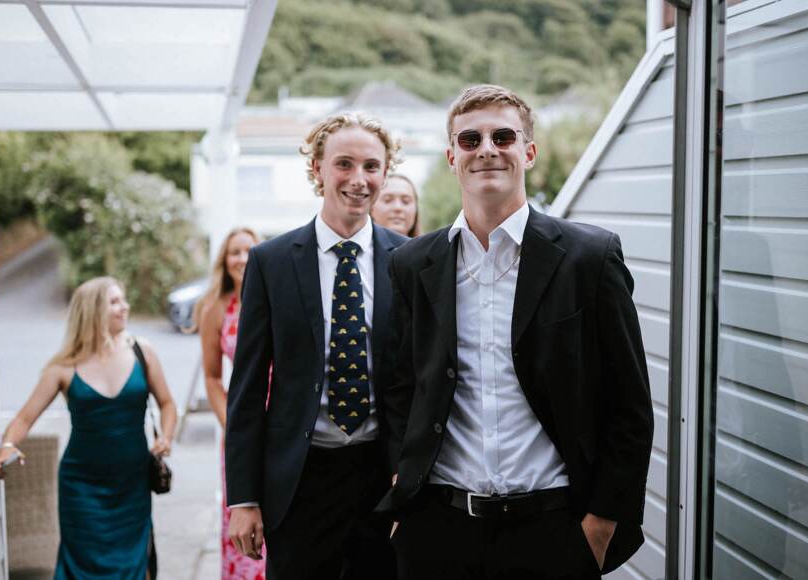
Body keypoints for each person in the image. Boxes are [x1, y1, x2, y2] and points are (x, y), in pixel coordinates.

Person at [376, 84, 654, 579]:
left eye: (502, 137)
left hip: (554, 531)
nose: (486, 149)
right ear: (452, 158)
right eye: (470, 139)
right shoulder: (412, 264)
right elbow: (399, 387)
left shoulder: (589, 258)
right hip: (437, 531)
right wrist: (403, 488)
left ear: (528, 152)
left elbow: (628, 404)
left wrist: (600, 525)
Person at [224, 112, 407, 580]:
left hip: (383, 481)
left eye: (371, 166)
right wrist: (243, 498)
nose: (359, 179)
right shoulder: (271, 262)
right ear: (317, 169)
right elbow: (246, 389)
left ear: (385, 172)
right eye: (344, 164)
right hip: (299, 482)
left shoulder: (409, 260)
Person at [0, 276, 178, 579]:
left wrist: (165, 438)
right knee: (83, 567)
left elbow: (167, 404)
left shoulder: (143, 353)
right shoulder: (63, 367)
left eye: (123, 299)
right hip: (81, 488)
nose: (125, 307)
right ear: (92, 310)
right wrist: (8, 446)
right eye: (114, 302)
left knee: (133, 563)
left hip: (132, 484)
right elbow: (24, 418)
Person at [193, 227, 266, 580]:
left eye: (249, 251)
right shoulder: (216, 309)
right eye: (235, 252)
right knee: (243, 517)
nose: (242, 259)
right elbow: (211, 378)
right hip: (240, 423)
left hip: (283, 421)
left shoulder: (275, 297)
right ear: (224, 260)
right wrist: (233, 425)